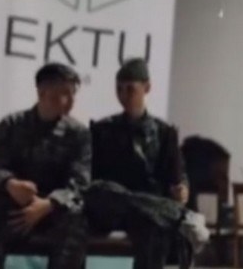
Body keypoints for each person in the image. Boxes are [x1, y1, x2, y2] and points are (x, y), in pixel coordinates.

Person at [85, 58, 209, 268]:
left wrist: (182, 189)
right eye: (119, 89)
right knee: (104, 190)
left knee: (154, 227)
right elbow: (93, 176)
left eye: (130, 89)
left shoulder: (164, 133)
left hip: (146, 215)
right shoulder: (103, 130)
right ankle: (176, 215)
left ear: (147, 88)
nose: (123, 95)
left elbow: (177, 173)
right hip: (111, 208)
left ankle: (167, 211)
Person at [0, 63, 90, 269]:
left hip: (54, 211)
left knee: (76, 222)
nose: (71, 101)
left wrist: (49, 204)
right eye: (64, 93)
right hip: (15, 207)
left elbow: (80, 183)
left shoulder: (78, 134)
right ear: (42, 92)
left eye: (72, 94)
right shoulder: (12, 124)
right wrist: (9, 183)